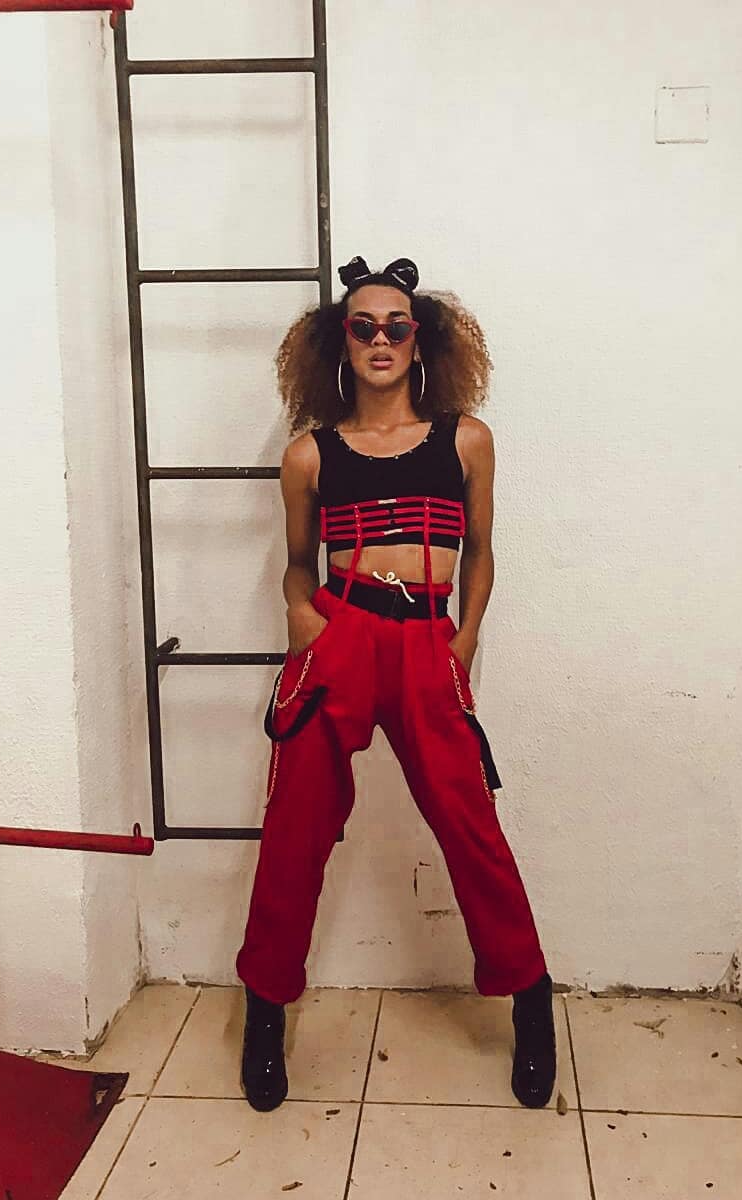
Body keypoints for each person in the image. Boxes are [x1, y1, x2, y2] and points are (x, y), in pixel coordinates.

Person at [235, 255, 555, 1112]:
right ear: (340, 342)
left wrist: (465, 639)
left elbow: (481, 552)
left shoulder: (466, 440)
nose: (381, 339)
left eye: (397, 326)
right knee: (296, 825)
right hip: (340, 636)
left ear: (421, 341)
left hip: (425, 643)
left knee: (467, 821)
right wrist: (303, 615)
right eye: (364, 326)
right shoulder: (309, 456)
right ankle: (265, 1008)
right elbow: (296, 564)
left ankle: (530, 997)